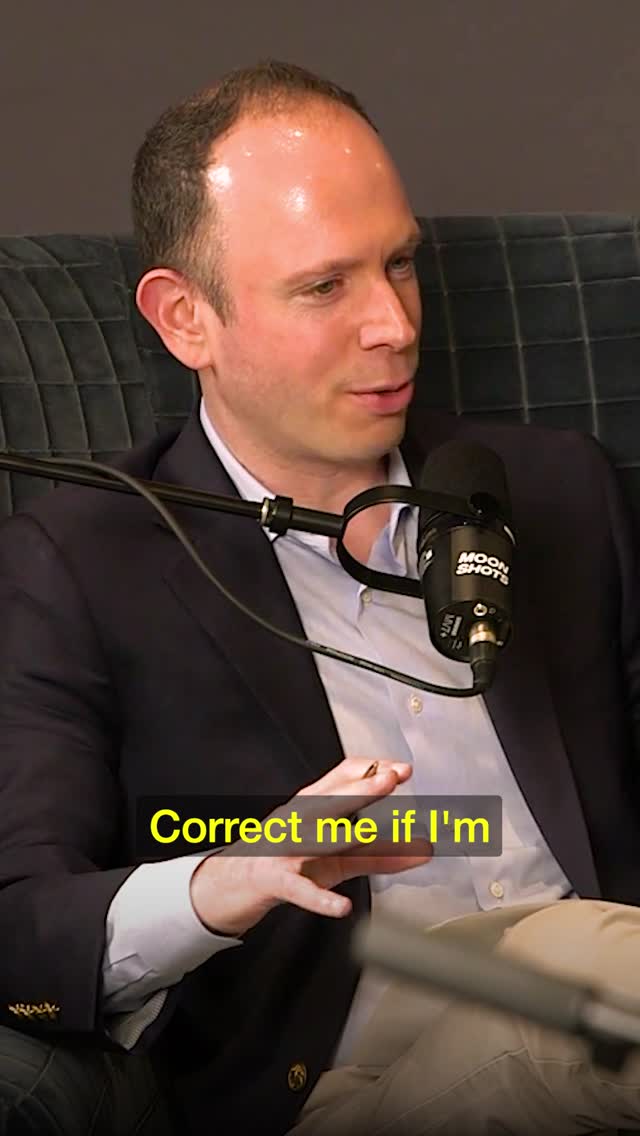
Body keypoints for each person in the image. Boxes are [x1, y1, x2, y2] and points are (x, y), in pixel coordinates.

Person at [2, 58, 640, 1136]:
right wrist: (218, 880)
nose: (393, 323)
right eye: (324, 286)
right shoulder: (78, 562)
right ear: (185, 318)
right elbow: (20, 929)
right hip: (343, 1075)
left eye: (400, 264)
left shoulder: (556, 490)